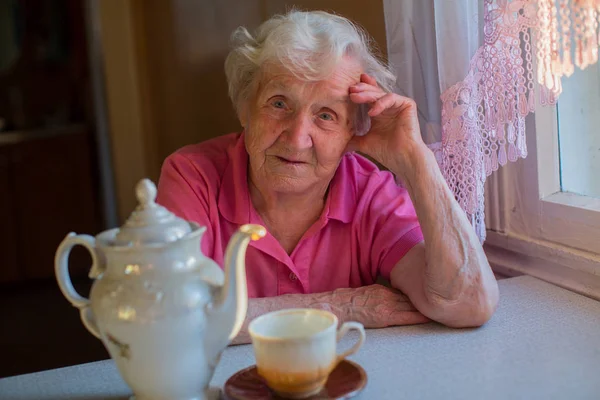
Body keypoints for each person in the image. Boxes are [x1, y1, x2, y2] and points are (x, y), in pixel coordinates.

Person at [156, 10, 499, 344]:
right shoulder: (193, 177)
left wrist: (415, 158)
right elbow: (171, 320)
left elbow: (468, 302)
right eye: (279, 104)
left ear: (352, 131)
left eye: (325, 115)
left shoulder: (368, 192)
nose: (296, 137)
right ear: (245, 107)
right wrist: (340, 307)